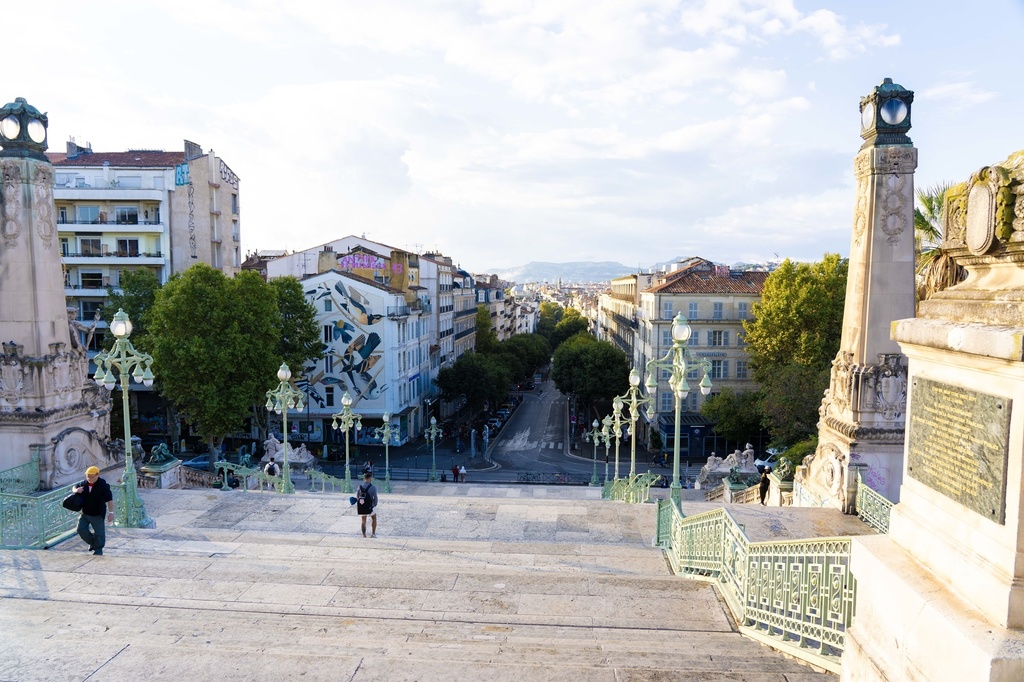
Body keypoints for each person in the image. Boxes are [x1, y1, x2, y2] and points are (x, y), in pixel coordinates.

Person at [74, 466, 114, 555]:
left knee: (99, 533)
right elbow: (74, 487)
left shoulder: (103, 485)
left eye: (92, 477)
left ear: (98, 475)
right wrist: (76, 490)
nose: (90, 479)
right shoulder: (84, 483)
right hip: (85, 513)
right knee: (80, 529)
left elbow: (110, 500)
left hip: (97, 514)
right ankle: (93, 543)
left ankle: (98, 550)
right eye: (88, 476)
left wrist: (111, 513)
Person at [356, 470, 378, 538]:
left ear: (364, 479)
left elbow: (357, 497)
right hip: (370, 506)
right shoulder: (373, 487)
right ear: (369, 478)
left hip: (363, 506)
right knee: (374, 518)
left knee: (363, 520)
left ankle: (364, 535)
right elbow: (375, 498)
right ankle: (373, 533)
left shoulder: (359, 487)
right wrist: (374, 505)